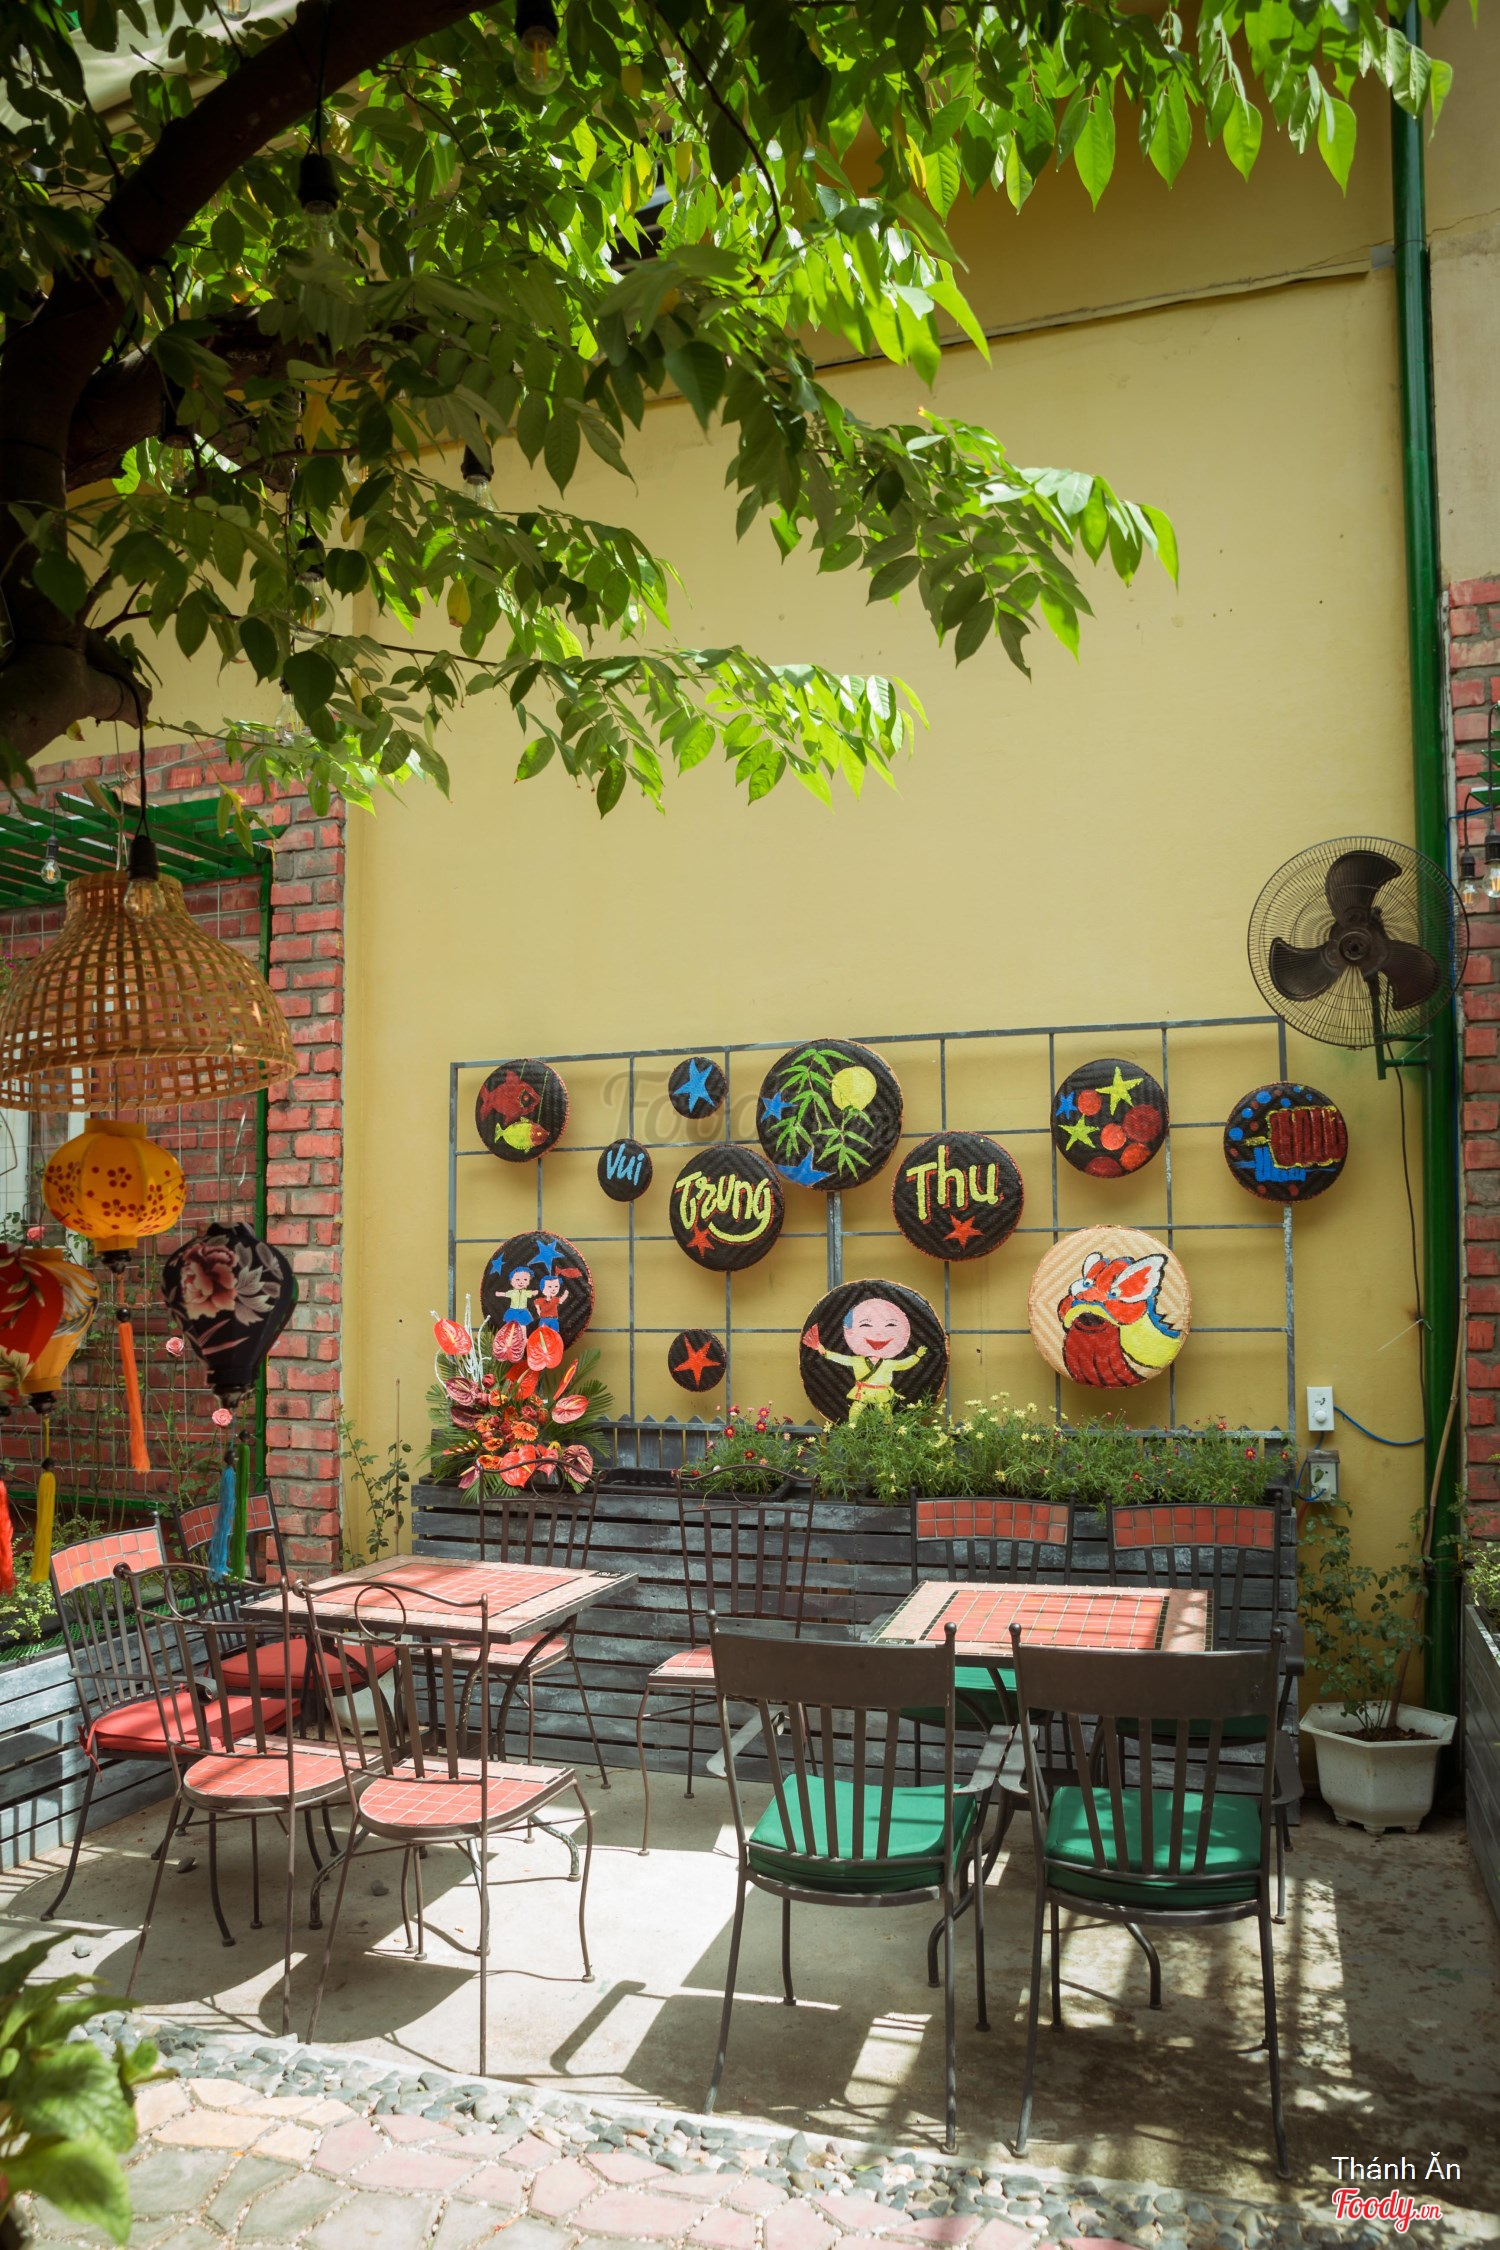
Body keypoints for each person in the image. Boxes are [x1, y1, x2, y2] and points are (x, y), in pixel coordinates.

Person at [803, 1295, 926, 1420]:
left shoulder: (888, 1364)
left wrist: (917, 1356)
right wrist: (824, 1351)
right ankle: (851, 1427)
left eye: (890, 1325)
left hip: (881, 1393)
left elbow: (904, 1364)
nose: (878, 1334)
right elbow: (841, 1358)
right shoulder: (857, 1361)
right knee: (855, 1411)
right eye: (866, 1325)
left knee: (885, 1412)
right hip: (863, 1392)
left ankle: (888, 1427)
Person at [494, 1267, 535, 1363]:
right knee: (510, 1326)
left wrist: (537, 1292)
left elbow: (532, 1293)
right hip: (513, 1311)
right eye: (517, 1279)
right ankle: (509, 1339)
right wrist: (499, 1294)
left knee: (523, 1326)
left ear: (529, 1281)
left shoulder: (525, 1292)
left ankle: (524, 1339)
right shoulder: (512, 1292)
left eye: (525, 1279)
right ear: (511, 1281)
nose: (521, 1282)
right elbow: (505, 1294)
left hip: (523, 1311)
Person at [527, 1274, 568, 1371]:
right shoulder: (541, 1300)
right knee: (541, 1335)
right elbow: (536, 1303)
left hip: (553, 1320)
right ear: (543, 1289)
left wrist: (565, 1294)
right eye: (549, 1286)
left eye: (556, 1286)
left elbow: (561, 1300)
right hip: (544, 1320)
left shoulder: (555, 1299)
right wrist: (538, 1311)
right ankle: (542, 1348)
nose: (553, 1289)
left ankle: (553, 1348)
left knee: (555, 1335)